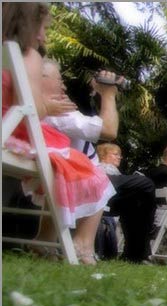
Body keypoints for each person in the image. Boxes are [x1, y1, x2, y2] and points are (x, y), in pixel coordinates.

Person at [2, 2, 116, 264]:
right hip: (15, 135)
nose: (43, 37)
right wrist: (48, 105)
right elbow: (30, 107)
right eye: (42, 28)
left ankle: (46, 241)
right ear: (28, 24)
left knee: (65, 164)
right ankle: (81, 245)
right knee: (87, 169)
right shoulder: (27, 54)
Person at [40, 58, 156, 264]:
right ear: (40, 81)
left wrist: (96, 93)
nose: (64, 85)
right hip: (76, 178)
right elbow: (109, 130)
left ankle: (134, 252)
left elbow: (87, 124)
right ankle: (123, 252)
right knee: (142, 185)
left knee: (135, 188)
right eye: (59, 80)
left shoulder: (43, 110)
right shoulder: (57, 113)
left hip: (61, 172)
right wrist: (109, 95)